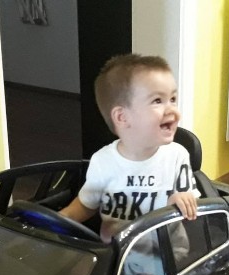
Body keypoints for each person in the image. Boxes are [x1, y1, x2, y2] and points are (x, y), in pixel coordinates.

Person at [60, 53, 200, 243]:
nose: (172, 110)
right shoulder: (103, 161)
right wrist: (62, 218)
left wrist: (181, 201)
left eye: (173, 99)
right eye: (158, 101)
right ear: (122, 117)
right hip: (116, 253)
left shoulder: (177, 156)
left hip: (167, 254)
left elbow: (192, 206)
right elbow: (87, 204)